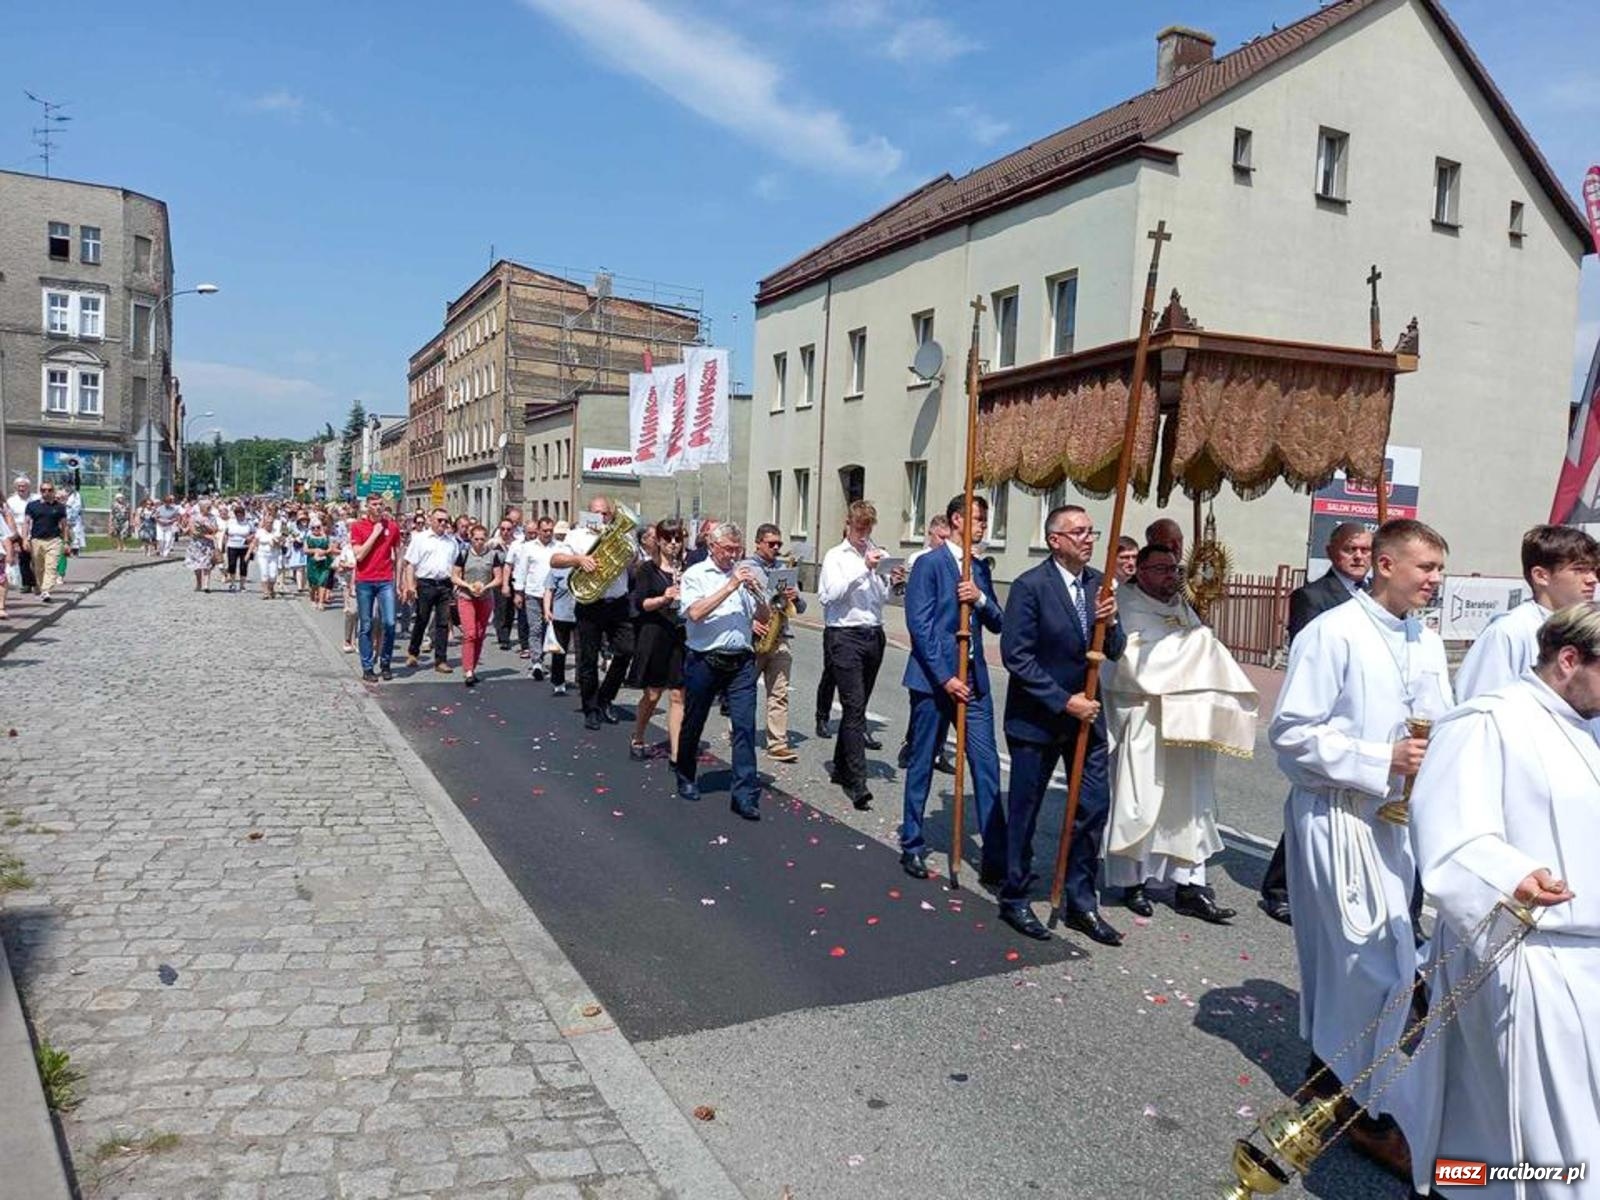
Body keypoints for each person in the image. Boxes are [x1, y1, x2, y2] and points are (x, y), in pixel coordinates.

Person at [1269, 517, 1453, 1178]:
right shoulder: (1332, 632)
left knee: (1382, 965)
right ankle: (1363, 1111)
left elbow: (1441, 722)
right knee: (1364, 967)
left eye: (1438, 568)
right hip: (1339, 818)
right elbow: (1290, 735)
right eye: (1424, 566)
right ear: (1382, 564)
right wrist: (1382, 757)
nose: (1435, 579)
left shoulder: (1424, 642)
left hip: (1392, 827)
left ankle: (1335, 1083)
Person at [1406, 602, 1596, 1200]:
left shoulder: (1584, 725)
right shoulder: (1488, 721)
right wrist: (1514, 874)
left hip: (1582, 960)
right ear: (1570, 659)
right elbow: (1450, 834)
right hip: (1527, 958)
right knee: (1546, 1144)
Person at [1104, 544, 1258, 922]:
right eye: (1160, 569)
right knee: (1141, 804)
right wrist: (1198, 643)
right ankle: (1132, 883)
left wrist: (1197, 640)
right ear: (1139, 571)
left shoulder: (1179, 604)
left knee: (1190, 806)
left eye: (1174, 569)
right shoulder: (1125, 603)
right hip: (1146, 721)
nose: (1170, 577)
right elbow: (1131, 661)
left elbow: (1193, 653)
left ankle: (1190, 885)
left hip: (1187, 724)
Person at [997, 504, 1124, 944]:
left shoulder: (1098, 585)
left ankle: (1081, 900)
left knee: (1093, 807)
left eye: (1092, 532)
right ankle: (1015, 895)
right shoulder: (1030, 587)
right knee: (1026, 811)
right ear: (1055, 540)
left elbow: (1117, 650)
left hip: (1087, 720)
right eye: (1079, 533)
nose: (1089, 539)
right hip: (1038, 719)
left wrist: (1111, 620)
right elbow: (1017, 656)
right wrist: (1062, 700)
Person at [1260, 520, 1373, 925]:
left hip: (1358, 714)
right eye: (1350, 550)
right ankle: (1278, 887)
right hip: (1324, 712)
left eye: (1364, 549)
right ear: (1332, 552)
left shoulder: (1374, 596)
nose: (1359, 557)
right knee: (1310, 802)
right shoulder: (1313, 596)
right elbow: (1309, 656)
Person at [898, 494, 1006, 884]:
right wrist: (946, 676)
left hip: (974, 682)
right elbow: (920, 626)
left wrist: (978, 599)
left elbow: (998, 622)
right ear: (958, 519)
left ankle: (996, 854)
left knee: (986, 764)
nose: (983, 525)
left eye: (985, 518)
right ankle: (912, 842)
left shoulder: (978, 567)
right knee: (923, 761)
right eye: (977, 518)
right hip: (933, 682)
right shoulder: (930, 565)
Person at [673, 522, 770, 821]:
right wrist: (729, 587)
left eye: (736, 550)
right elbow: (695, 613)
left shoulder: (744, 576)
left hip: (741, 660)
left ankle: (743, 795)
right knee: (695, 721)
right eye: (727, 549)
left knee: (744, 727)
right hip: (705, 659)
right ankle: (686, 774)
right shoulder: (696, 575)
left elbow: (763, 617)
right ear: (712, 546)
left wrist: (758, 594)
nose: (732, 555)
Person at [816, 501, 903, 810]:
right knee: (854, 708)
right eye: (859, 528)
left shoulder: (876, 552)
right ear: (848, 525)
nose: (864, 534)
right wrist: (862, 568)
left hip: (872, 633)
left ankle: (841, 767)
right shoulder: (835, 556)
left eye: (868, 528)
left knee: (859, 704)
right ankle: (857, 782)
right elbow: (830, 594)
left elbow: (884, 598)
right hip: (844, 634)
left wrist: (892, 579)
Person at [1454, 523, 1598, 702]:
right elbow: (1480, 705)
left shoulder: (1588, 630)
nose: (1592, 579)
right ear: (1541, 576)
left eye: (1593, 570)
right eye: (1579, 570)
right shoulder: (1510, 631)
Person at [551, 496, 636, 731]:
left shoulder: (623, 535)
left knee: (627, 650)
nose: (601, 518)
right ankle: (590, 708)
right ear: (588, 514)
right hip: (590, 604)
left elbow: (634, 557)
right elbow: (555, 559)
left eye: (605, 514)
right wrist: (578, 559)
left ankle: (605, 698)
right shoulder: (577, 535)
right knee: (588, 659)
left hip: (618, 603)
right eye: (596, 514)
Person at [896, 514, 955, 774]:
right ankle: (912, 744)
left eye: (947, 537)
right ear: (930, 534)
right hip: (926, 641)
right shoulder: (920, 559)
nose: (944, 542)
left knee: (945, 705)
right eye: (940, 537)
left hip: (947, 641)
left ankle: (938, 750)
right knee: (922, 701)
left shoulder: (952, 559)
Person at [627, 519, 687, 760]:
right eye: (668, 539)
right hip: (654, 634)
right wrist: (664, 598)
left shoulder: (686, 568)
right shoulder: (646, 570)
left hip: (679, 634)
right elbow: (641, 603)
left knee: (678, 694)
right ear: (659, 541)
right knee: (653, 694)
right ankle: (638, 735)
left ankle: (676, 752)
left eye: (678, 539)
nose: (674, 544)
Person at [749, 523, 806, 764]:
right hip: (755, 638)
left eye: (779, 544)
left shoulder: (784, 569)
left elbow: (800, 608)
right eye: (771, 543)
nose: (776, 548)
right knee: (744, 689)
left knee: (779, 693)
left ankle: (778, 743)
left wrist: (796, 597)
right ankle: (739, 730)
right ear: (758, 543)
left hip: (780, 636)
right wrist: (750, 623)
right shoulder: (746, 568)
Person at [350, 494, 403, 682]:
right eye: (374, 504)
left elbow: (398, 554)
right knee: (367, 624)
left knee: (389, 623)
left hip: (386, 580)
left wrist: (399, 582)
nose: (379, 507)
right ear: (367, 507)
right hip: (365, 580)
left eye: (381, 504)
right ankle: (367, 666)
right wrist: (375, 533)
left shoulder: (393, 527)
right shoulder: (357, 527)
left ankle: (386, 662)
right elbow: (359, 556)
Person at [402, 507, 457, 678]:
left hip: (445, 585)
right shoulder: (420, 539)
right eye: (439, 520)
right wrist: (410, 586)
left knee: (442, 623)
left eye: (445, 521)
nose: (443, 523)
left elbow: (456, 566)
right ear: (431, 521)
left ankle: (440, 660)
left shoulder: (451, 541)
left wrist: (456, 585)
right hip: (425, 584)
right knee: (422, 619)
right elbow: (410, 563)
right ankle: (413, 652)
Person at [451, 523, 505, 687]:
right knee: (470, 634)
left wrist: (486, 587)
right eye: (476, 539)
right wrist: (468, 586)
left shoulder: (492, 555)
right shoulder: (464, 553)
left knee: (480, 634)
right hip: (466, 597)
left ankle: (472, 668)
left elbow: (498, 578)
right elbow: (454, 576)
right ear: (471, 538)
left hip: (485, 597)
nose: (479, 542)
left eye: (482, 539)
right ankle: (467, 670)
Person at [507, 516, 555, 670]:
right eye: (545, 530)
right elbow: (521, 571)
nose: (548, 533)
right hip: (533, 593)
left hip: (553, 594)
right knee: (535, 628)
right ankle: (536, 661)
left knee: (548, 627)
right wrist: (518, 593)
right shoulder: (528, 548)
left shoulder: (559, 547)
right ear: (539, 531)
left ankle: (541, 655)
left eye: (550, 530)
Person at [544, 522, 577, 697]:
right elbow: (549, 589)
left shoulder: (582, 566)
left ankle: (582, 679)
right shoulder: (558, 567)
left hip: (580, 613)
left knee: (582, 649)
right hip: (561, 612)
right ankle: (558, 681)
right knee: (559, 649)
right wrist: (547, 610)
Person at [5, 477, 34, 594]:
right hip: (18, 533)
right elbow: (8, 519)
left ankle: (39, 582)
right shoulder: (11, 501)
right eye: (19, 486)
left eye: (24, 486)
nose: (21, 488)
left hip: (35, 532)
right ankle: (27, 583)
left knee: (37, 559)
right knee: (24, 559)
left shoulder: (35, 499)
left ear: (28, 487)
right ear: (16, 487)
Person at [184, 497, 219, 593]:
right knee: (197, 566)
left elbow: (215, 530)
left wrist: (207, 526)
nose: (209, 508)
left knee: (207, 565)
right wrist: (205, 535)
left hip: (208, 545)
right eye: (207, 507)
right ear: (201, 507)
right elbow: (193, 531)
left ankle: (206, 585)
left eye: (210, 507)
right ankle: (199, 583)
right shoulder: (194, 517)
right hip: (196, 544)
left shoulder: (212, 517)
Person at [221, 502, 255, 593]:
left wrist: (250, 538)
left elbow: (253, 533)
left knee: (243, 566)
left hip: (244, 546)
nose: (239, 517)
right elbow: (226, 534)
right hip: (232, 545)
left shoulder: (249, 523)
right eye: (237, 515)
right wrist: (224, 546)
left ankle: (242, 585)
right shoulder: (231, 522)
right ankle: (232, 583)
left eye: (241, 515)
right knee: (232, 565)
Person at [304, 514, 334, 607]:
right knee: (314, 583)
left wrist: (324, 552)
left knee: (323, 581)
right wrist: (315, 550)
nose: (316, 529)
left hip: (324, 563)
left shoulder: (326, 537)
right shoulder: (308, 538)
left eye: (318, 527)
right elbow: (305, 550)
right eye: (313, 528)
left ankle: (321, 602)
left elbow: (330, 548)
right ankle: (313, 599)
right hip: (312, 563)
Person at [154, 493, 181, 558]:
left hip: (169, 525)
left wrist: (172, 521)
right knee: (161, 539)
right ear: (164, 502)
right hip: (160, 525)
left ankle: (166, 553)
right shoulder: (160, 508)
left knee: (168, 539)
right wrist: (159, 521)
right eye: (166, 502)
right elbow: (155, 516)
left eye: (169, 502)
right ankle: (161, 551)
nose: (167, 504)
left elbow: (177, 517)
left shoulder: (174, 509)